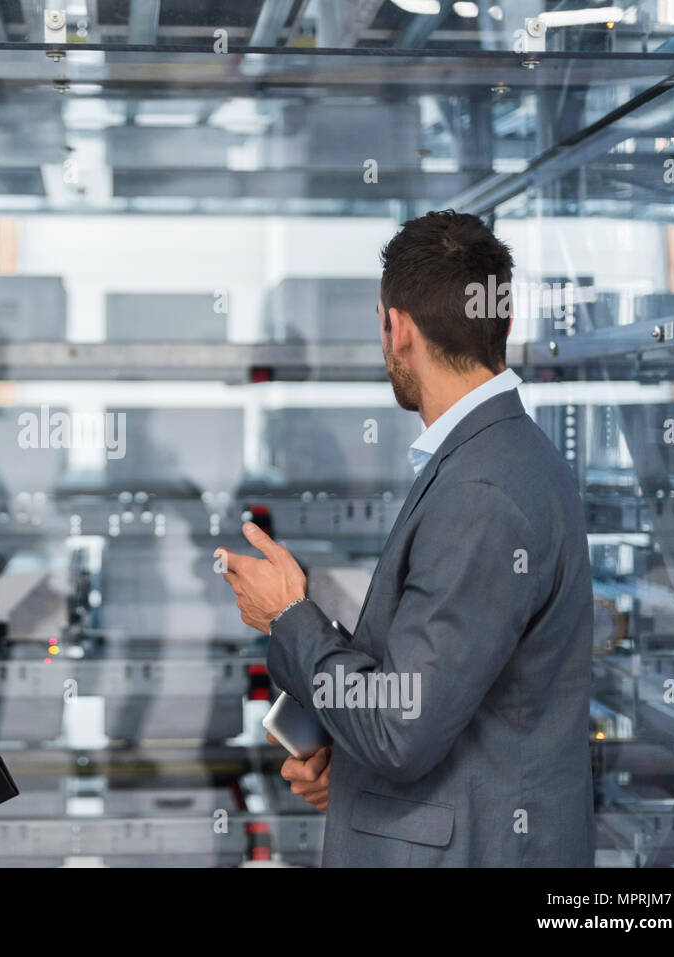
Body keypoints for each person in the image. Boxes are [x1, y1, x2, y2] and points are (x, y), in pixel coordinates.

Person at [219, 209, 595, 866]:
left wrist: (288, 613)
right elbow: (443, 695)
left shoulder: (483, 490)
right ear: (503, 323)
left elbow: (401, 726)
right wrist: (348, 751)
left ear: (396, 328)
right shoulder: (496, 456)